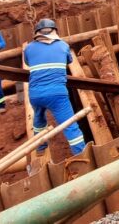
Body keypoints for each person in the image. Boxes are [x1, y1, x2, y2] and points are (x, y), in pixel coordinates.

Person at [24, 19, 86, 155]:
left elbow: (27, 62)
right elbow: (69, 60)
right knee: (70, 126)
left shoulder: (29, 48)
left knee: (39, 118)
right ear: (55, 31)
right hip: (57, 94)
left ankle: (40, 148)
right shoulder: (63, 45)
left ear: (36, 33)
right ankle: (81, 153)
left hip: (35, 94)